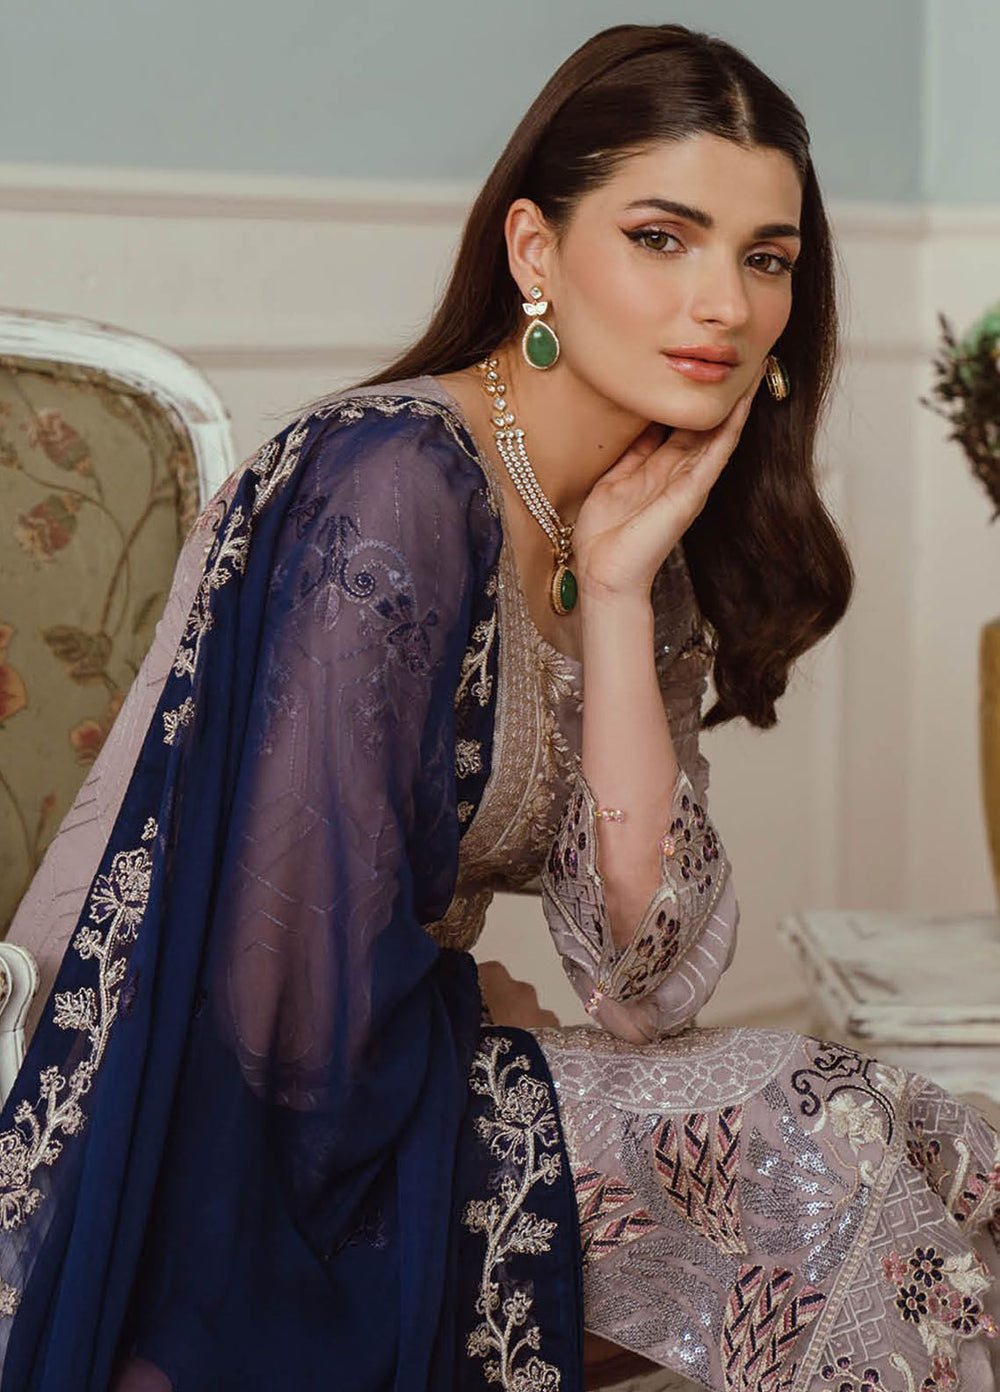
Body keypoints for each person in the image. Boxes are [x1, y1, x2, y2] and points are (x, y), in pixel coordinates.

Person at [2, 21, 999, 1392]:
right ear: (535, 250)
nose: (722, 302)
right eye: (662, 238)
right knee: (826, 1145)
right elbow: (285, 1011)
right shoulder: (390, 487)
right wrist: (476, 1010)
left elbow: (643, 979)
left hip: (415, 1091)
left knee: (947, 1151)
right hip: (223, 1163)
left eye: (765, 259)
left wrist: (619, 592)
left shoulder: (637, 527)